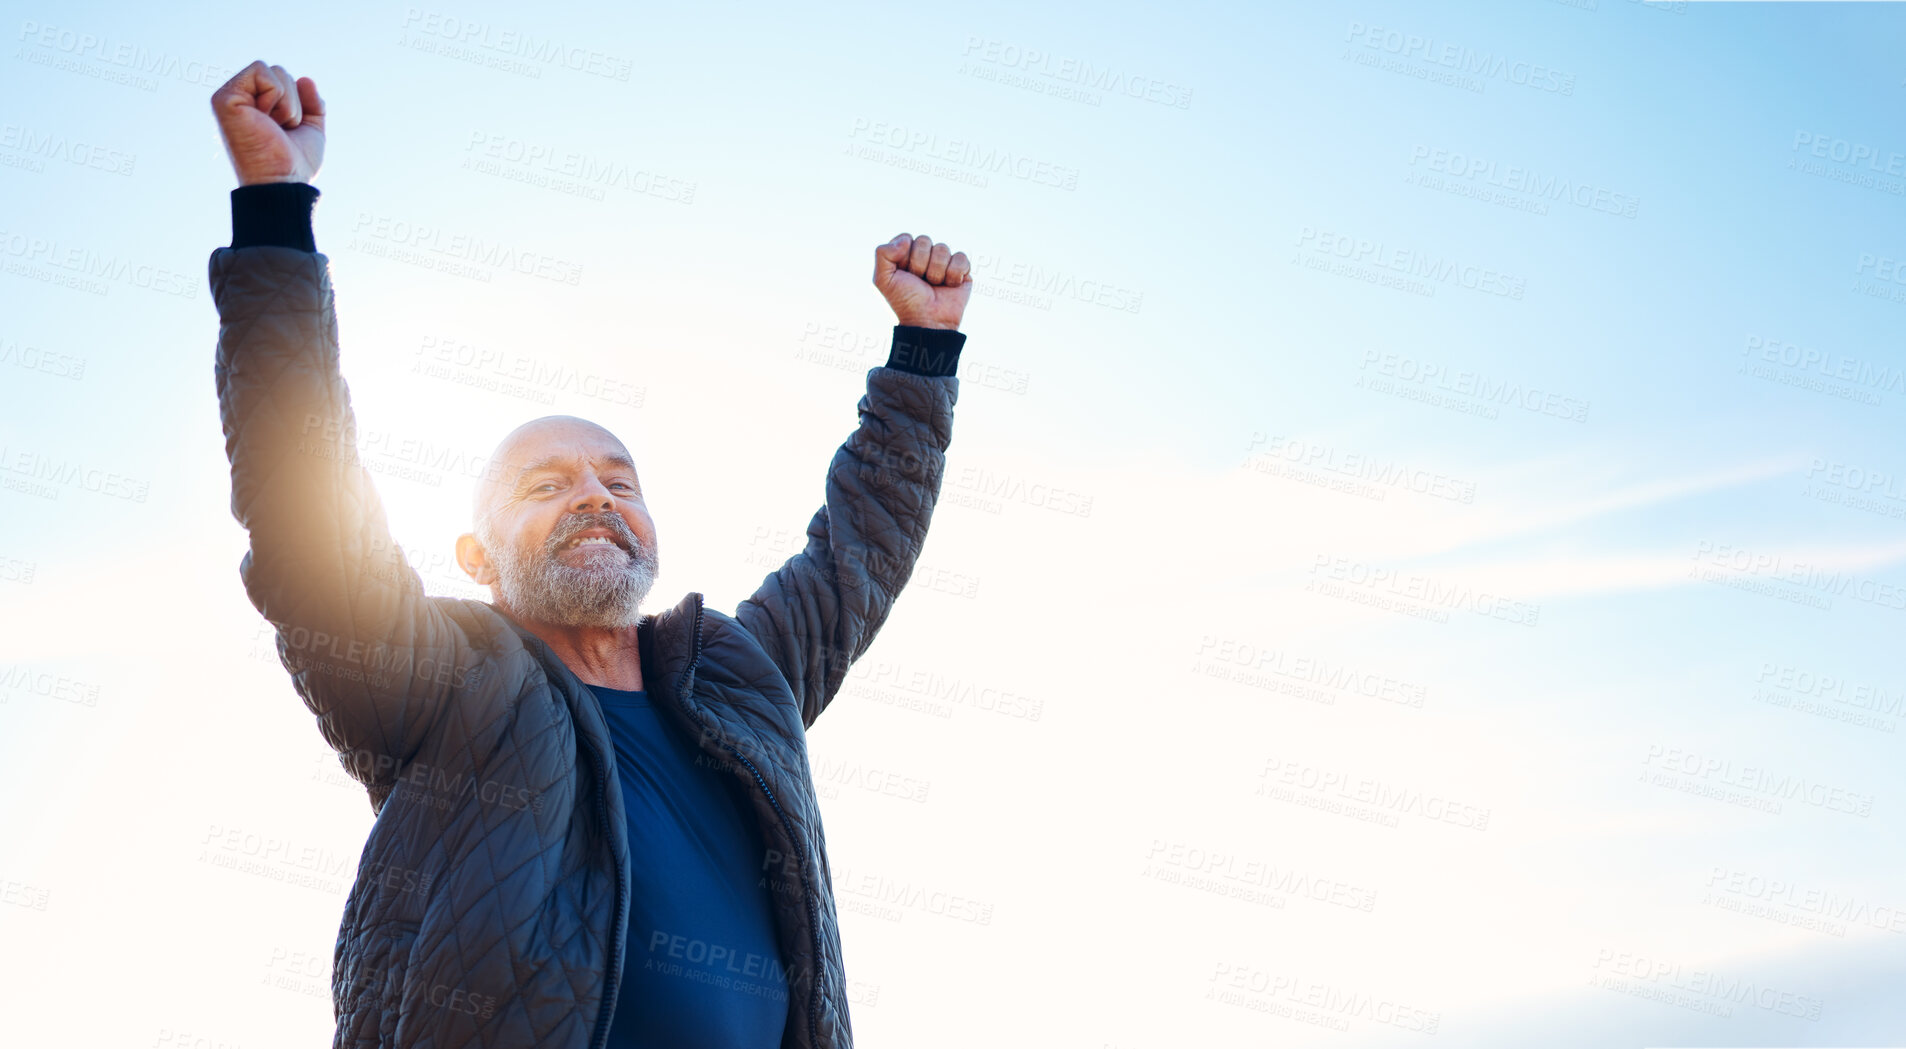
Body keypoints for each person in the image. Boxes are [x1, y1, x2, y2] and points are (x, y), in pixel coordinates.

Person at [208, 59, 973, 1049]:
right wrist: (276, 204)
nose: (594, 498)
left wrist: (923, 351)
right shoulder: (437, 681)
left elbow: (856, 553)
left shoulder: (736, 678)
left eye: (618, 480)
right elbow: (299, 493)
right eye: (547, 484)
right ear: (477, 556)